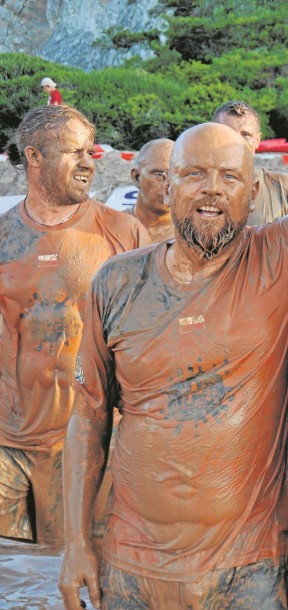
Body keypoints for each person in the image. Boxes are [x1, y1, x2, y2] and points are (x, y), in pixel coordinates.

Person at [57, 121, 288, 610]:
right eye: (195, 173)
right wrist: (75, 545)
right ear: (166, 183)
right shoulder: (117, 283)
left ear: (254, 190)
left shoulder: (284, 250)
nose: (212, 189)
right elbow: (87, 415)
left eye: (229, 177)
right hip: (133, 562)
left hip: (249, 566)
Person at [0, 105, 149, 547]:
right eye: (73, 151)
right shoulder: (3, 237)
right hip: (5, 441)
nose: (89, 162)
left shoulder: (122, 234)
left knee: (71, 572)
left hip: (80, 445)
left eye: (91, 150)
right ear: (35, 156)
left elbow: (148, 341)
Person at [212, 100, 288, 225]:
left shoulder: (284, 189)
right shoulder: (194, 188)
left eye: (246, 134)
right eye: (227, 133)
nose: (237, 141)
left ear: (257, 140)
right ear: (212, 136)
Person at [127, 138, 175, 243]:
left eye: (176, 175)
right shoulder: (111, 226)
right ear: (137, 177)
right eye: (159, 175)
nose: (169, 184)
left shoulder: (194, 235)